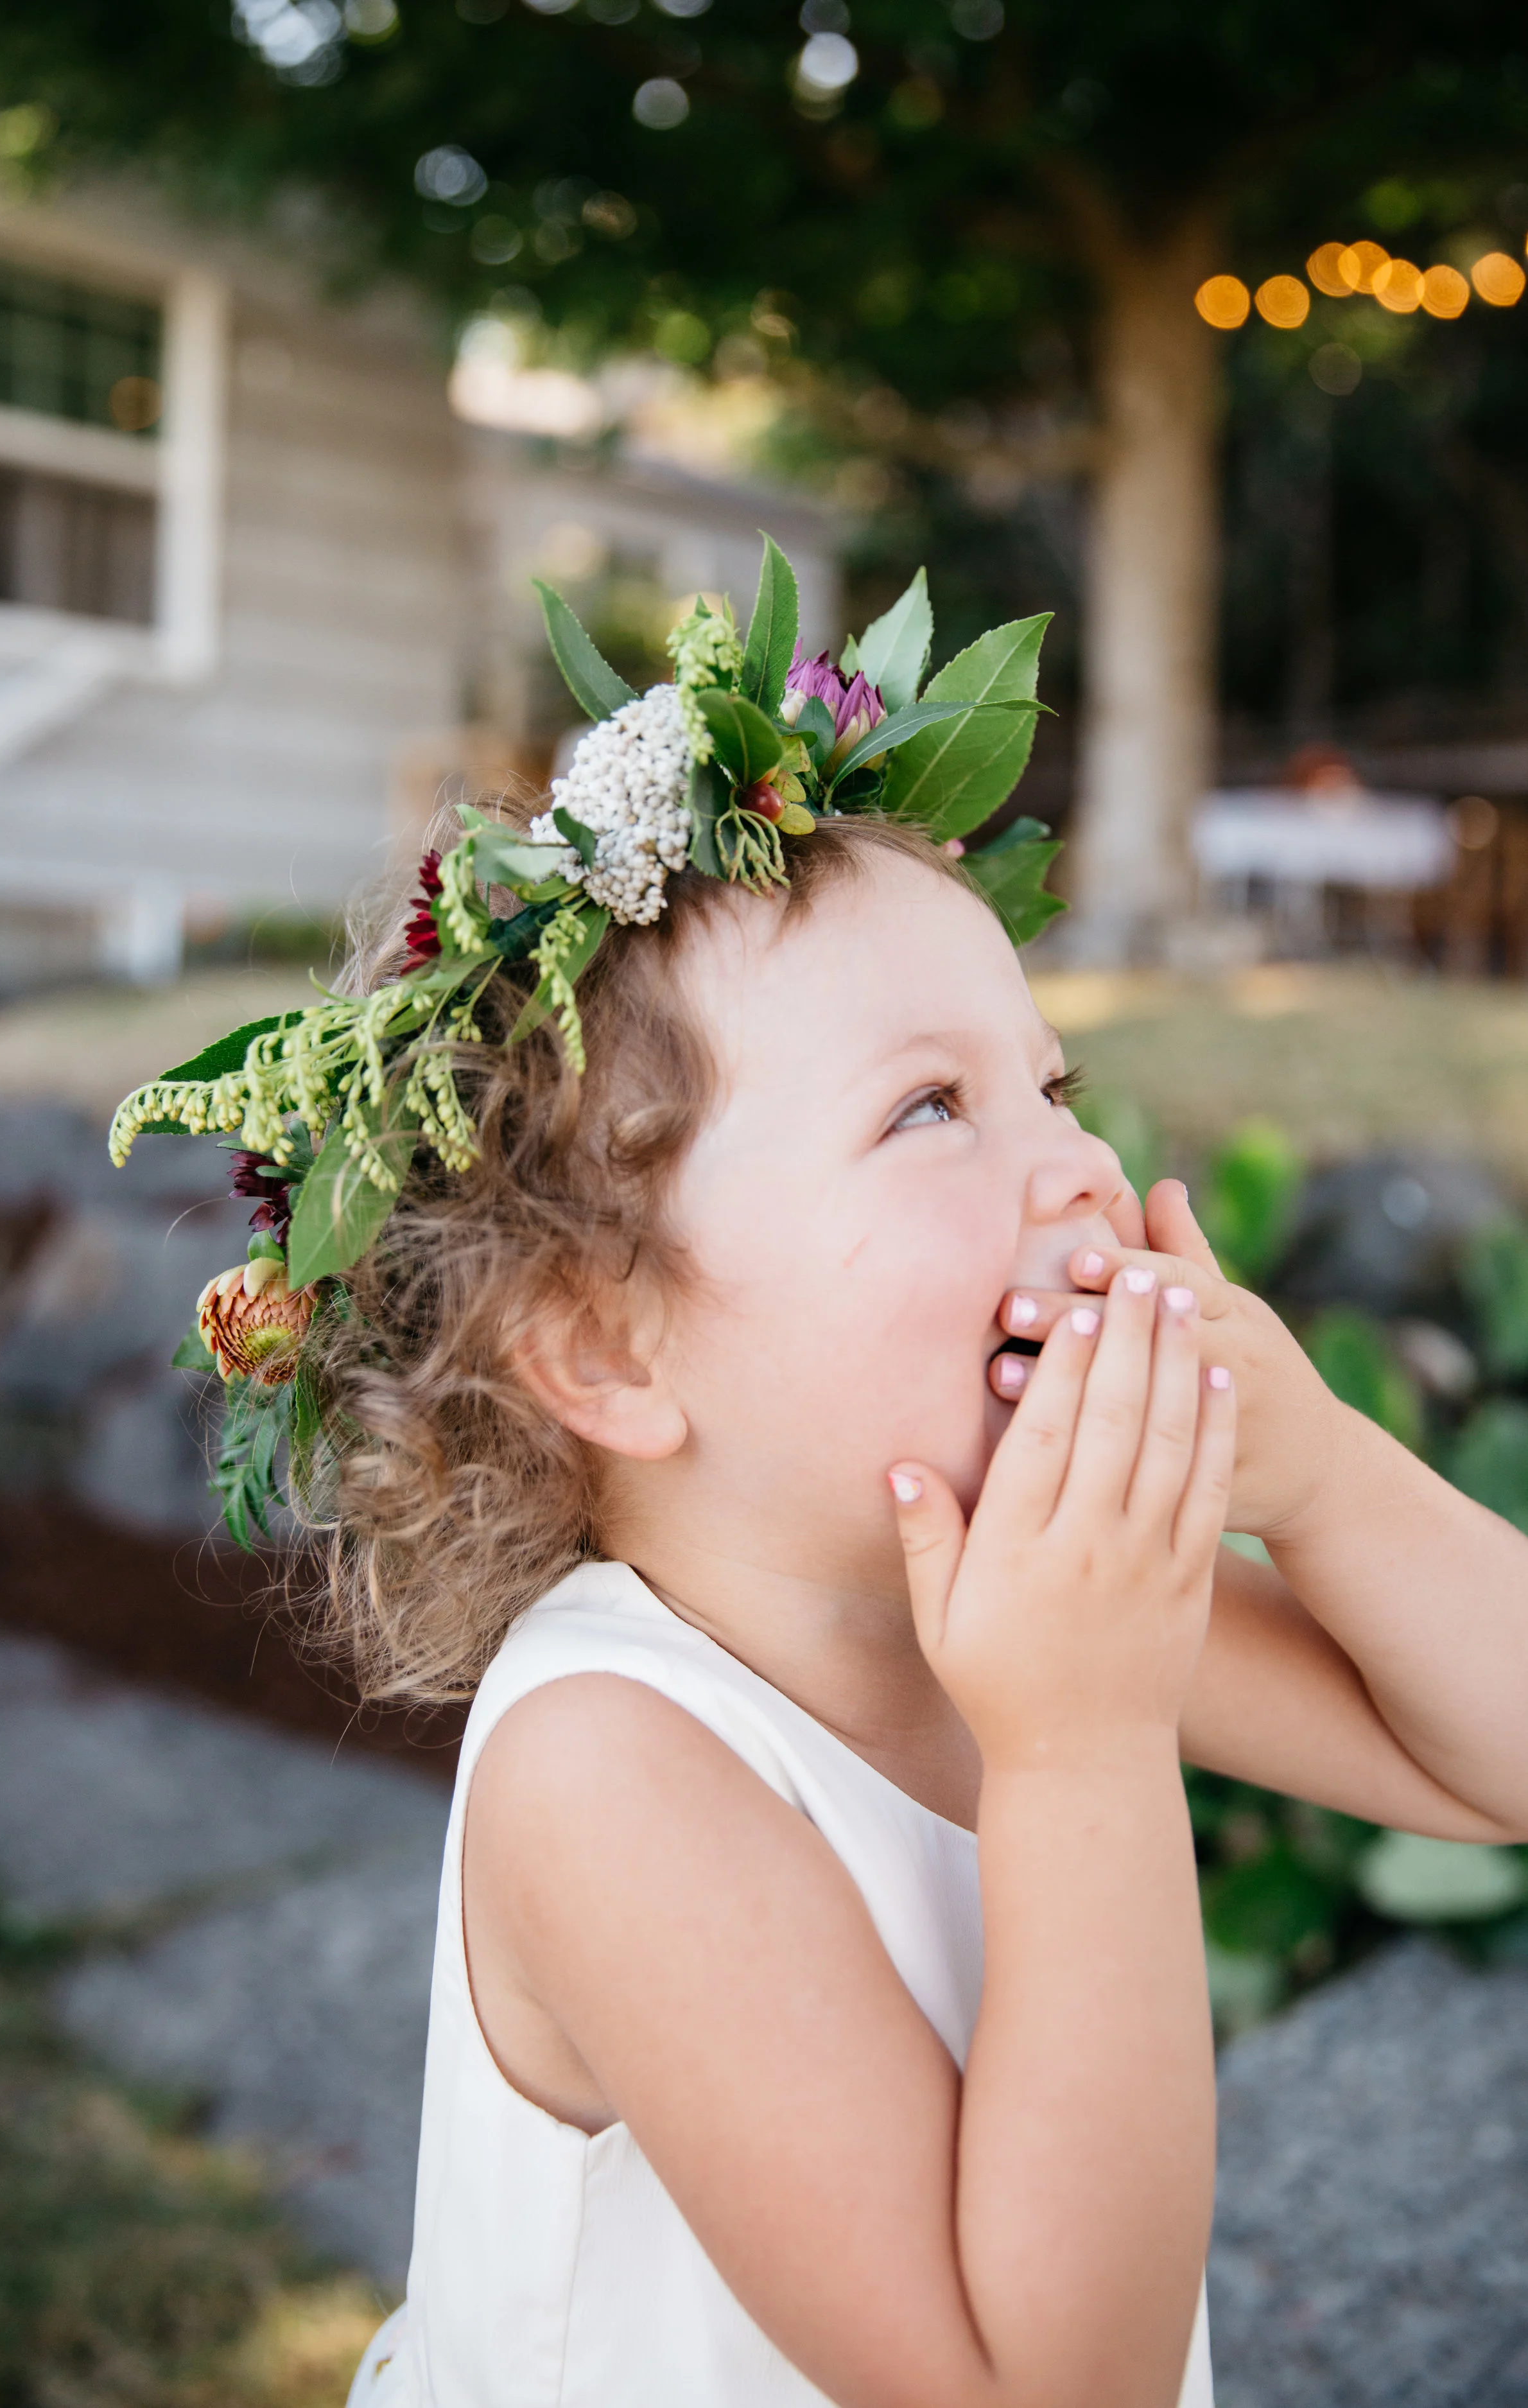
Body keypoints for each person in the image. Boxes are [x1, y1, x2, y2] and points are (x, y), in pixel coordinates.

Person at [110, 566, 1528, 2408]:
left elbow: (1486, 1758)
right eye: (931, 1108)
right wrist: (1079, 1745)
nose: (1081, 1164)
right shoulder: (611, 1767)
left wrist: (1323, 1476)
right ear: (605, 1348)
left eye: (1052, 1080)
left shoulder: (1006, 1598)